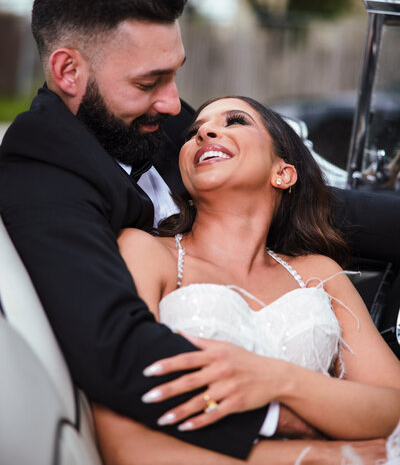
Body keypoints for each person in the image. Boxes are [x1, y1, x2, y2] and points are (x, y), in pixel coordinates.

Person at [0, 0, 398, 461]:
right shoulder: (42, 167)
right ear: (68, 71)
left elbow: (318, 207)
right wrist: (299, 418)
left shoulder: (160, 123)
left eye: (174, 74)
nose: (174, 106)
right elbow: (112, 349)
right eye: (149, 82)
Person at [92, 96, 400, 465]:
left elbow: (393, 406)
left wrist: (278, 379)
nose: (204, 132)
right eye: (194, 132)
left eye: (235, 121)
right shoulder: (146, 251)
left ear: (282, 172)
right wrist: (305, 454)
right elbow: (126, 445)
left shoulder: (319, 272)